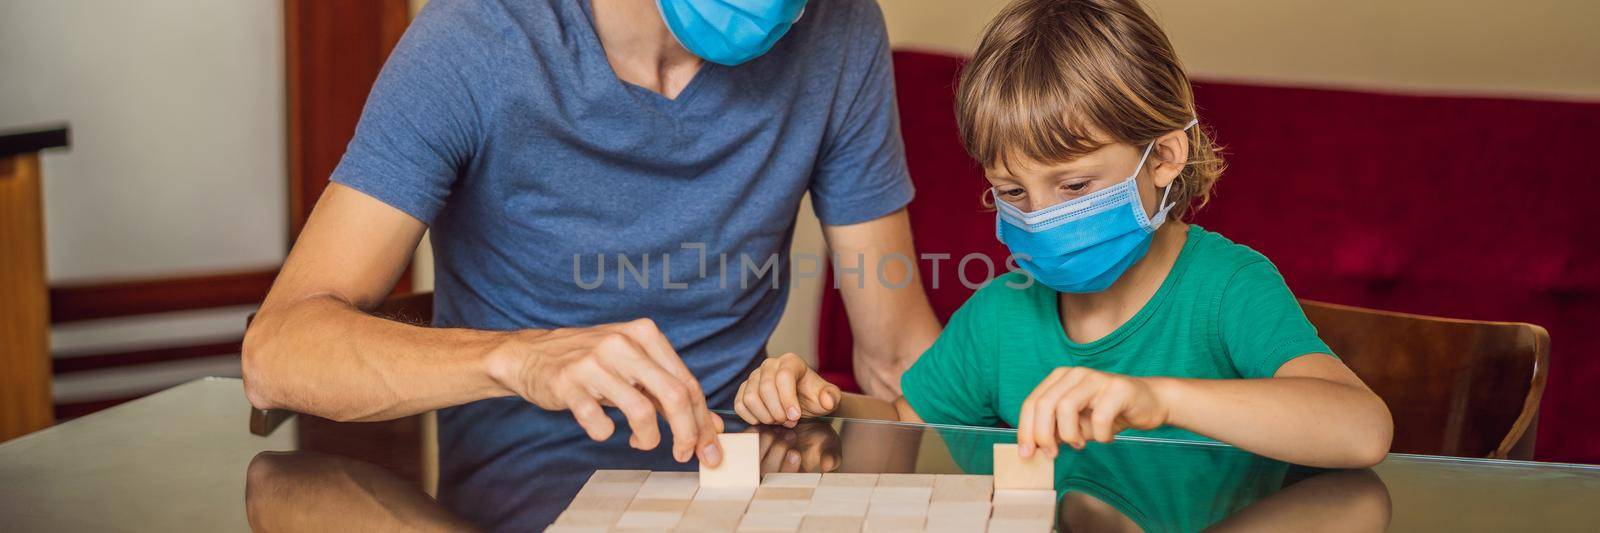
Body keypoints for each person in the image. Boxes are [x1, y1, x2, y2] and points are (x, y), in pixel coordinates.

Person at [240, 0, 941, 507]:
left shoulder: (839, 27)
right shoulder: (474, 39)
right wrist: (518, 357)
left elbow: (899, 357)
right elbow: (277, 354)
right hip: (528, 511)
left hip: (747, 498)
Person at [730, 0, 1393, 468]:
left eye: (1074, 187)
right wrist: (817, 405)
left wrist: (1157, 398)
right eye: (1014, 193)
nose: (1042, 215)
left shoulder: (1227, 290)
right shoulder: (1000, 313)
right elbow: (912, 426)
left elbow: (1361, 429)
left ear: (1163, 157)